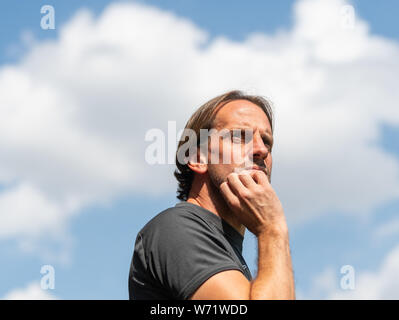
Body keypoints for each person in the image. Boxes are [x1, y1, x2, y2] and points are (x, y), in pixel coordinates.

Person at [128, 90, 295, 300]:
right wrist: (272, 229)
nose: (261, 150)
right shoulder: (176, 227)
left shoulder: (226, 251)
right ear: (198, 159)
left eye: (267, 141)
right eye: (239, 137)